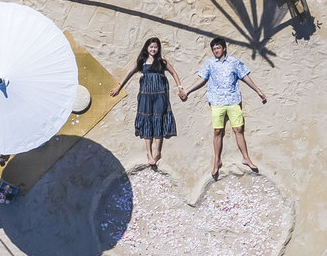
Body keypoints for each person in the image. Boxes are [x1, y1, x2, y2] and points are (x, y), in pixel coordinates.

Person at [183, 37, 267, 179]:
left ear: (224, 48)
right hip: (217, 102)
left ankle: (246, 158)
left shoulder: (234, 62)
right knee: (217, 131)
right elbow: (202, 79)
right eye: (214, 49)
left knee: (239, 130)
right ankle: (217, 161)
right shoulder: (209, 63)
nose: (216, 50)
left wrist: (258, 90)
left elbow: (245, 77)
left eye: (218, 48)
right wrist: (187, 91)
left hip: (233, 100)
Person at [111, 36, 185, 168]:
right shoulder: (142, 60)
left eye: (155, 47)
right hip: (145, 96)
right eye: (151, 47)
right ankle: (148, 153)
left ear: (158, 48)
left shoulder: (162, 62)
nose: (153, 49)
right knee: (147, 120)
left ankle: (157, 151)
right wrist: (119, 86)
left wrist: (179, 87)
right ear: (147, 47)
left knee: (158, 119)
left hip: (160, 95)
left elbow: (174, 73)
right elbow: (129, 72)